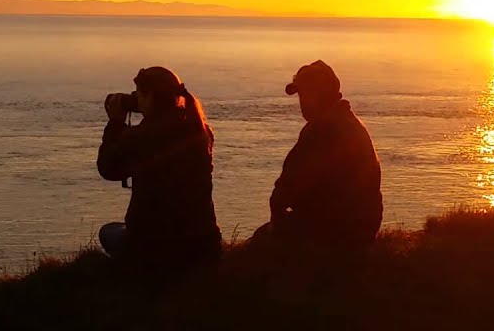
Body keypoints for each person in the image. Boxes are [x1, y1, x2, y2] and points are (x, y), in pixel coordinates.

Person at [253, 60, 382, 261]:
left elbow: (289, 186)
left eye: (305, 94)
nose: (301, 102)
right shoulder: (349, 121)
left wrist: (276, 220)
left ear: (321, 94)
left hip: (335, 230)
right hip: (361, 227)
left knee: (258, 246)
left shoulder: (322, 129)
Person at [96, 66, 222, 272]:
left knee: (108, 232)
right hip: (204, 242)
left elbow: (107, 168)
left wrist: (116, 124)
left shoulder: (142, 138)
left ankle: (136, 269)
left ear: (151, 97)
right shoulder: (201, 131)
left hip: (158, 247)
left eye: (139, 95)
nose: (135, 100)